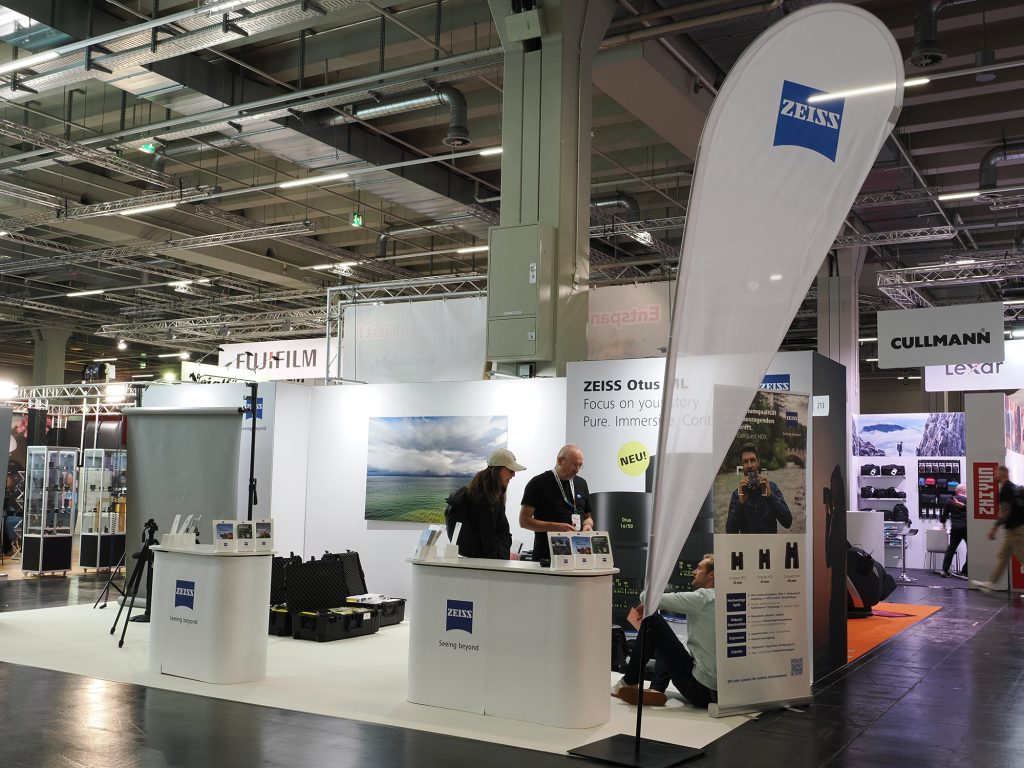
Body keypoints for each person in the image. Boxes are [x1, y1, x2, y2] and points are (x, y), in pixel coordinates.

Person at [611, 553, 717, 708]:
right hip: (718, 692)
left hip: (701, 690)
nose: (694, 571)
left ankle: (629, 681)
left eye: (699, 568)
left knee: (653, 621)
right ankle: (656, 689)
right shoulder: (726, 598)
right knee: (665, 640)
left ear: (712, 574)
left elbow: (647, 597)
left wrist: (649, 603)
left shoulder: (703, 598)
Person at [445, 448, 526, 560]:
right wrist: (494, 565)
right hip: (488, 562)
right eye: (510, 470)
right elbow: (489, 537)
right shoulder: (487, 498)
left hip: (478, 560)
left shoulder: (479, 491)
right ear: (497, 470)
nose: (513, 475)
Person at [519, 444, 592, 562]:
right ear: (560, 461)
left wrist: (587, 525)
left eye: (580, 465)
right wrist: (556, 527)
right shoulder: (538, 483)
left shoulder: (582, 483)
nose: (577, 470)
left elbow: (588, 517)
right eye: (573, 465)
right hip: (547, 557)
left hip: (578, 556)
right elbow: (524, 521)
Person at [973, 466, 1024, 591]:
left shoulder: (1006, 489)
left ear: (1004, 474)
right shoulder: (1013, 487)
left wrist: (994, 528)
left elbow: (1005, 512)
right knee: (1003, 556)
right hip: (1013, 529)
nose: (994, 475)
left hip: (1017, 530)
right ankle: (991, 583)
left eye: (996, 473)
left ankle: (991, 583)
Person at [725, 443, 792, 533]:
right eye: (745, 462)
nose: (749, 465)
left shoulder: (772, 487)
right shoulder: (737, 494)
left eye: (752, 460)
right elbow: (730, 533)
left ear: (758, 462)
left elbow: (788, 522)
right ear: (741, 465)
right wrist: (740, 504)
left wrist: (770, 496)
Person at [939, 483, 967, 577]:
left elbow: (944, 515)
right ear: (964, 491)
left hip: (955, 527)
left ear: (957, 491)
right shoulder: (967, 500)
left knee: (951, 549)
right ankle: (965, 571)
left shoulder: (950, 501)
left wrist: (943, 525)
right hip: (967, 527)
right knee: (970, 550)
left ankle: (944, 570)